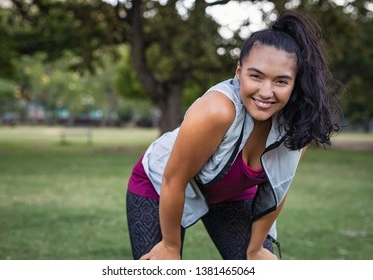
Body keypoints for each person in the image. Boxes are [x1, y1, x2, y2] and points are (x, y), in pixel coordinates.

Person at [126, 10, 341, 260]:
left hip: (229, 193)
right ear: (239, 71)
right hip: (160, 184)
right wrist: (171, 246)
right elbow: (174, 180)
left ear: (295, 83)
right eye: (256, 76)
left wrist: (256, 248)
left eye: (281, 81)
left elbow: (278, 188)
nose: (265, 92)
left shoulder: (296, 128)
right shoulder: (216, 111)